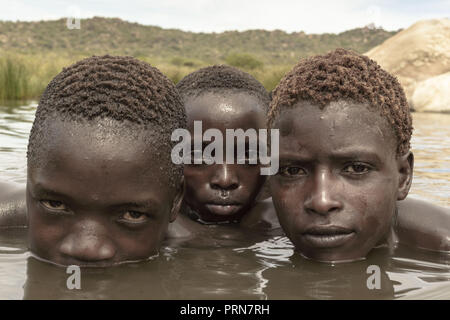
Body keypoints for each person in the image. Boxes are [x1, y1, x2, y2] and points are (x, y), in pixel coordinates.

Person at [267, 48, 449, 263]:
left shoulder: (442, 248)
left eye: (356, 168)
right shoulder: (256, 227)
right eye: (292, 171)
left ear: (403, 176)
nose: (322, 201)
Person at [1, 55, 185, 266]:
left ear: (176, 201)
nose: (87, 249)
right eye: (55, 204)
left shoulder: (203, 243)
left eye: (132, 215)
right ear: (30, 178)